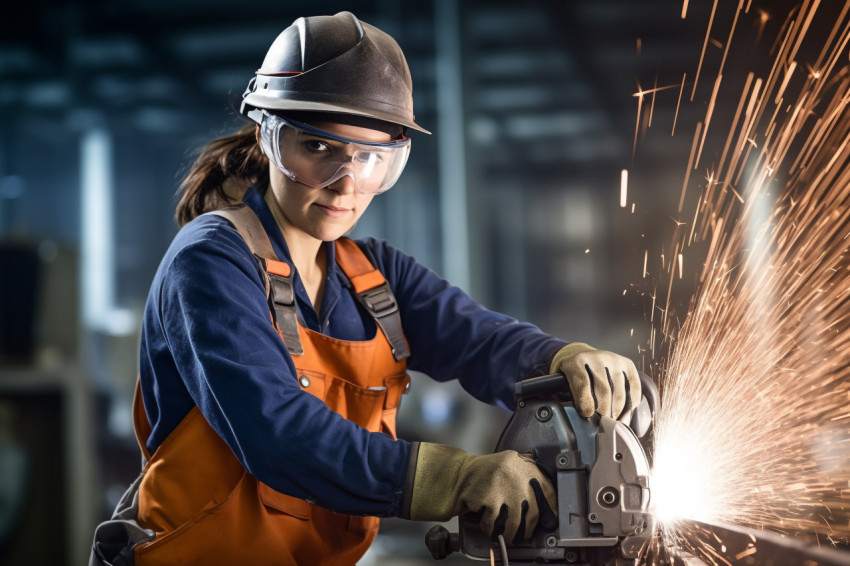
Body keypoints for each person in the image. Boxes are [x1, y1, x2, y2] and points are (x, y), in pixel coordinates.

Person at [89, 11, 641, 566]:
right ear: (268, 138)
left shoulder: (373, 277)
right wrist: (454, 477)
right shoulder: (210, 260)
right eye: (318, 149)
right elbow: (275, 432)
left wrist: (562, 360)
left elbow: (481, 342)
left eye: (371, 159)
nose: (346, 185)